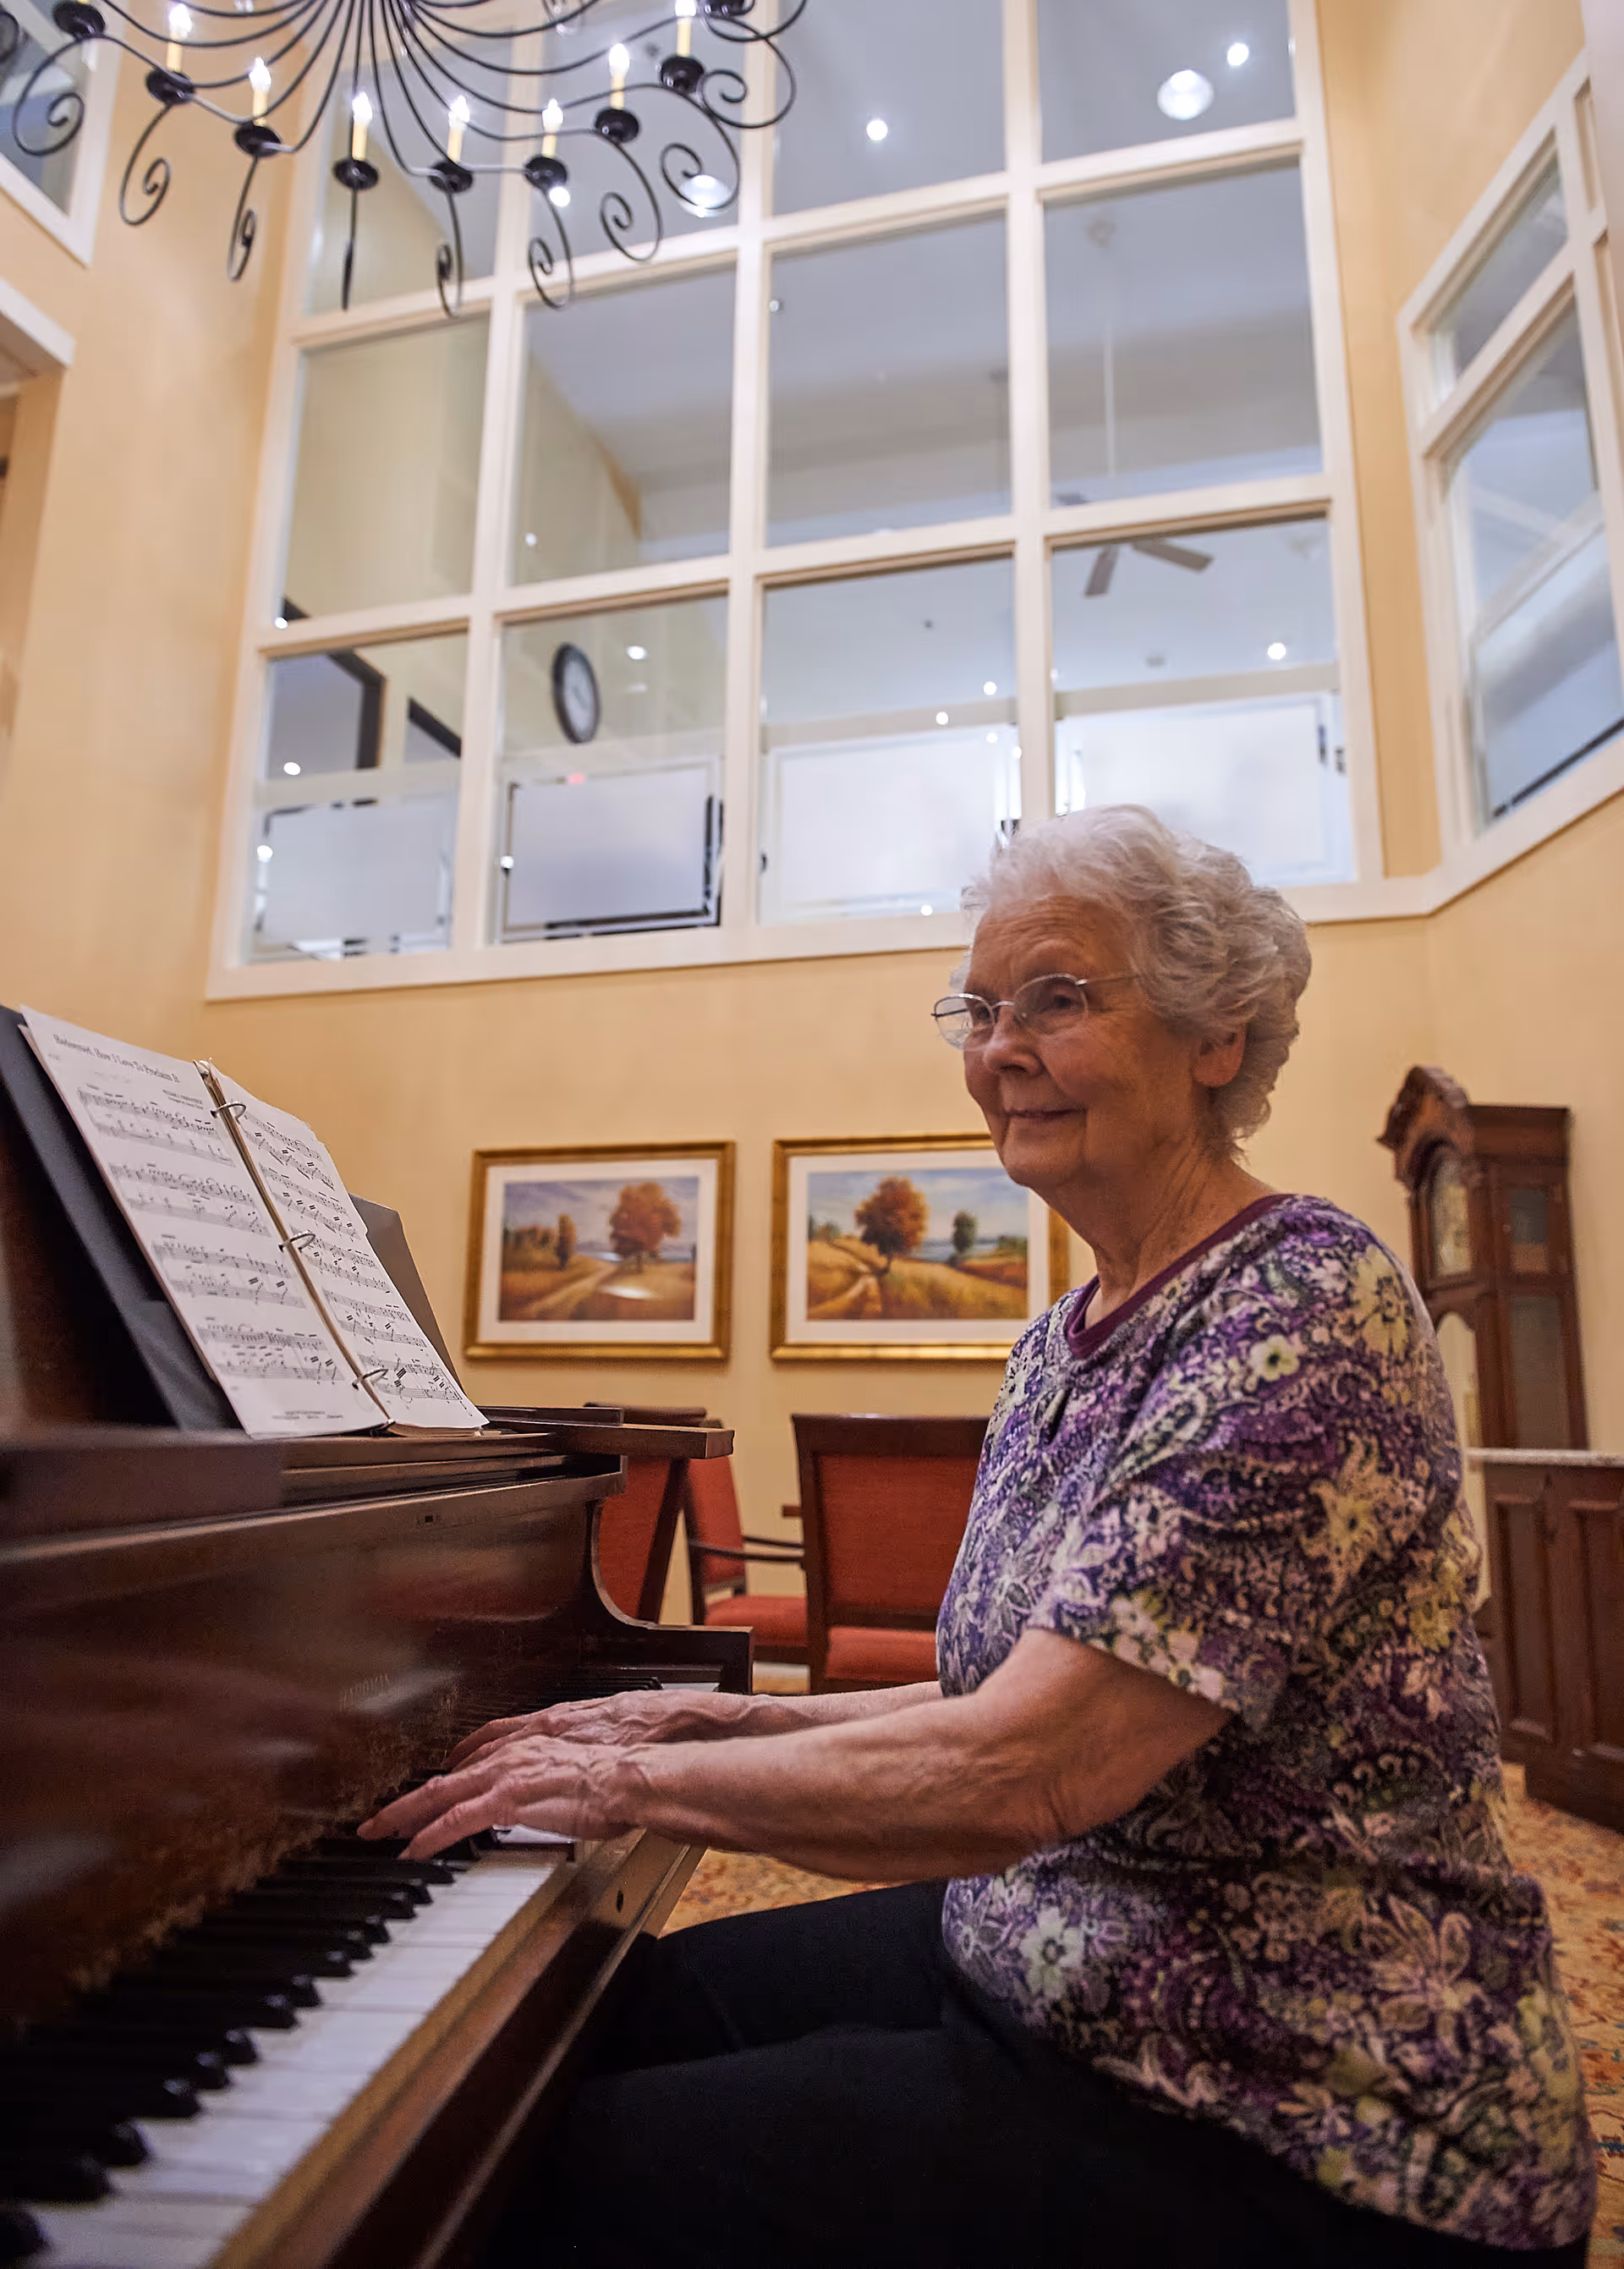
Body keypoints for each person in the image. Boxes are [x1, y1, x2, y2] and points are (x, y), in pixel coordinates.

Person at [364, 805, 1595, 2267]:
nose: (1001, 1046)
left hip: (1300, 2093)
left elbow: (1032, 1765)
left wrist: (639, 1778)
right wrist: (694, 1718)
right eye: (981, 1007)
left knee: (546, 2177)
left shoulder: (1299, 1309)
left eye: (1059, 1000)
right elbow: (995, 1697)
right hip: (1053, 1952)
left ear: (1221, 1036)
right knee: (565, 2032)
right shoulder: (1055, 1345)